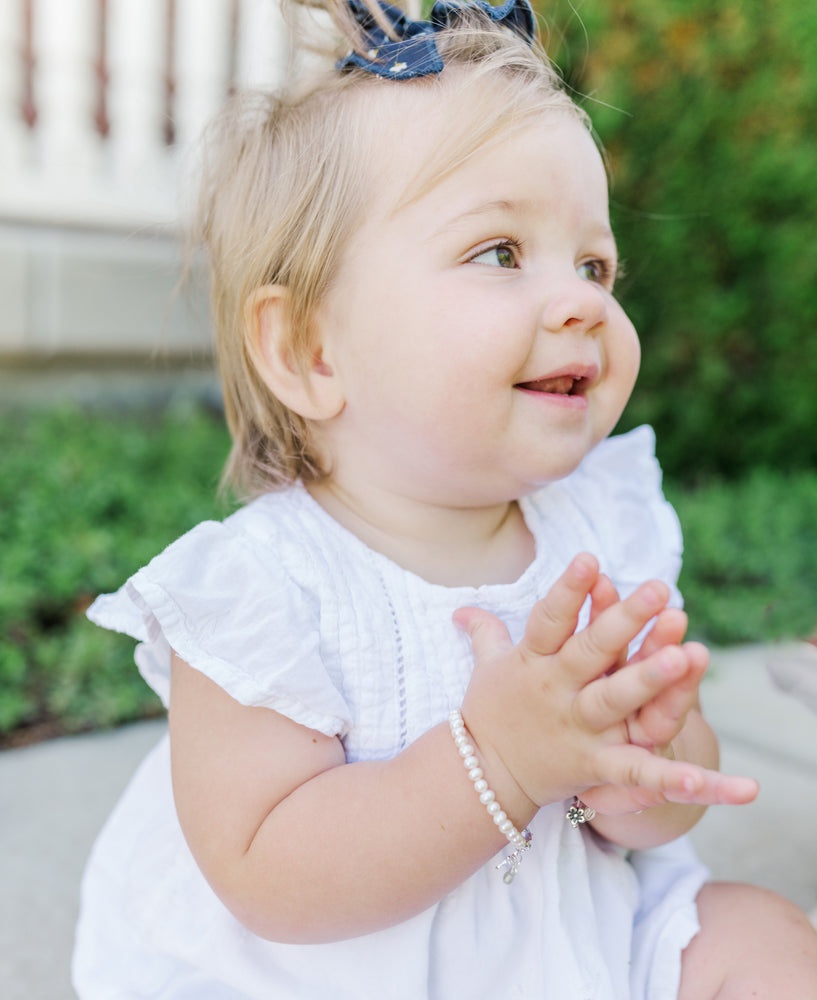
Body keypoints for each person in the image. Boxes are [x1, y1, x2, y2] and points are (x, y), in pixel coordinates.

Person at [73, 1, 817, 996]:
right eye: (500, 253)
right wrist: (499, 759)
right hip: (341, 976)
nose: (583, 302)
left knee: (759, 941)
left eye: (595, 264)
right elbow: (270, 875)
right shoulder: (264, 593)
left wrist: (641, 758)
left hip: (577, 946)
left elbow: (648, 819)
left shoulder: (600, 530)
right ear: (308, 350)